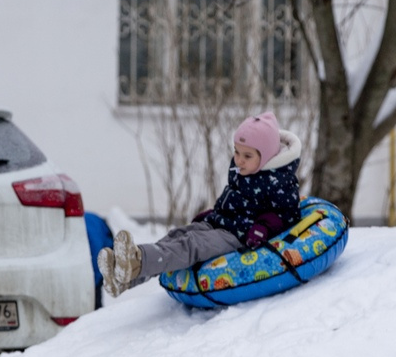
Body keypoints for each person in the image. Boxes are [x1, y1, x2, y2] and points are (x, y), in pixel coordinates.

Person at [99, 111, 302, 297]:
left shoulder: (279, 182)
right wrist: (210, 215)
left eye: (247, 156)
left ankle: (138, 261)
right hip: (220, 224)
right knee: (177, 235)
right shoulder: (245, 170)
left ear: (266, 156)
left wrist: (262, 228)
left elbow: (286, 213)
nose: (239, 160)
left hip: (239, 236)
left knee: (191, 245)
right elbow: (233, 203)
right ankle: (125, 278)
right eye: (236, 152)